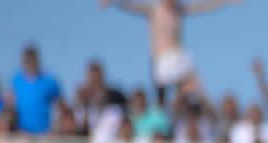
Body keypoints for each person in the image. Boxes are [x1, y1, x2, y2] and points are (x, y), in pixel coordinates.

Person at [101, 0, 240, 104]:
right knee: (163, 96)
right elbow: (132, 6)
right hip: (161, 60)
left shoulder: (179, 11)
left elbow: (203, 6)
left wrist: (224, 1)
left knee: (193, 86)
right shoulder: (155, 11)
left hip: (177, 58)